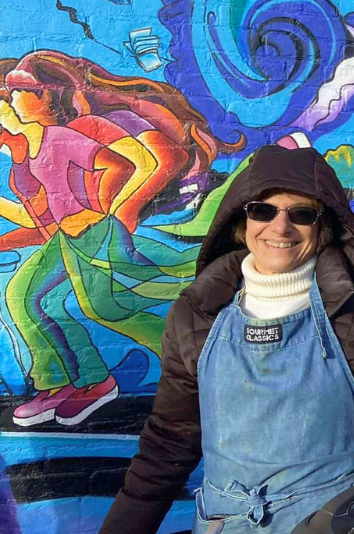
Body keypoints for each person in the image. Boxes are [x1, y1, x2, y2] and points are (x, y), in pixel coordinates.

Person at [94, 145, 354, 534]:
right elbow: (170, 441)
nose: (281, 226)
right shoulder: (197, 313)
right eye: (263, 210)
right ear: (241, 221)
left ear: (324, 226)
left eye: (302, 214)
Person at [0, 51, 241, 426]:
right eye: (9, 93)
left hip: (93, 229)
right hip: (69, 235)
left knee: (111, 304)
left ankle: (192, 363)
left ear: (47, 96)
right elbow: (44, 220)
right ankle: (64, 381)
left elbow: (132, 164)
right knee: (26, 295)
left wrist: (113, 209)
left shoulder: (68, 134)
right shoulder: (32, 154)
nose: (10, 100)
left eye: (15, 91)